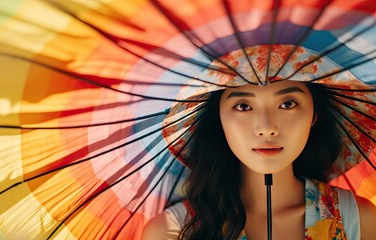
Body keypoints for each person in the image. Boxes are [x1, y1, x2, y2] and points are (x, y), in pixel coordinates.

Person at [142, 80, 376, 240]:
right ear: (220, 119)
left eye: (287, 104)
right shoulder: (170, 233)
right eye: (243, 106)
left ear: (314, 115)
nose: (266, 128)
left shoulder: (358, 220)